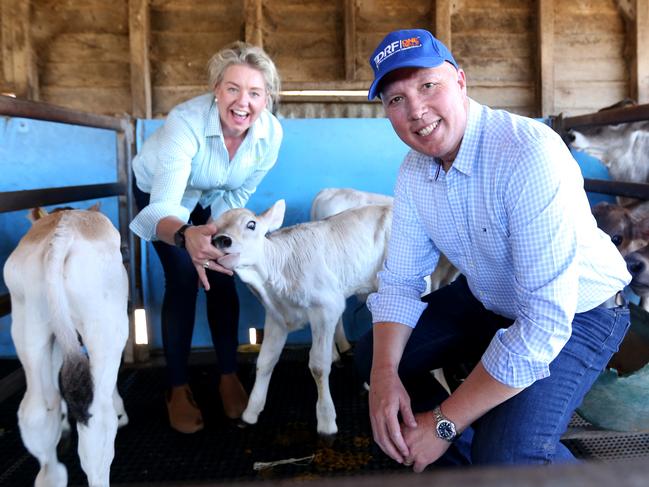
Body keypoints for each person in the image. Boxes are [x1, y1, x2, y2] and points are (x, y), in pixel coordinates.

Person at [355, 28, 631, 469]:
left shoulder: (527, 154)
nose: (416, 110)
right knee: (374, 354)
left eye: (428, 86)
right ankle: (458, 462)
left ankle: (486, 457)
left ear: (461, 82)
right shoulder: (414, 172)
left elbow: (543, 323)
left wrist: (444, 422)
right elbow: (401, 282)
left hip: (581, 310)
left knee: (508, 456)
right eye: (396, 99)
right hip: (493, 296)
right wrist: (384, 378)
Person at [130, 41, 283, 434]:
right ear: (216, 89)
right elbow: (163, 206)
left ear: (267, 98)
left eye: (254, 92)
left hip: (211, 198)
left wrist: (215, 236)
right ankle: (176, 387)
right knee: (183, 278)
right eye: (232, 88)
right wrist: (186, 237)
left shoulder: (270, 135)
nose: (242, 102)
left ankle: (228, 374)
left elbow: (237, 195)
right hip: (162, 197)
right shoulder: (185, 123)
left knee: (222, 275)